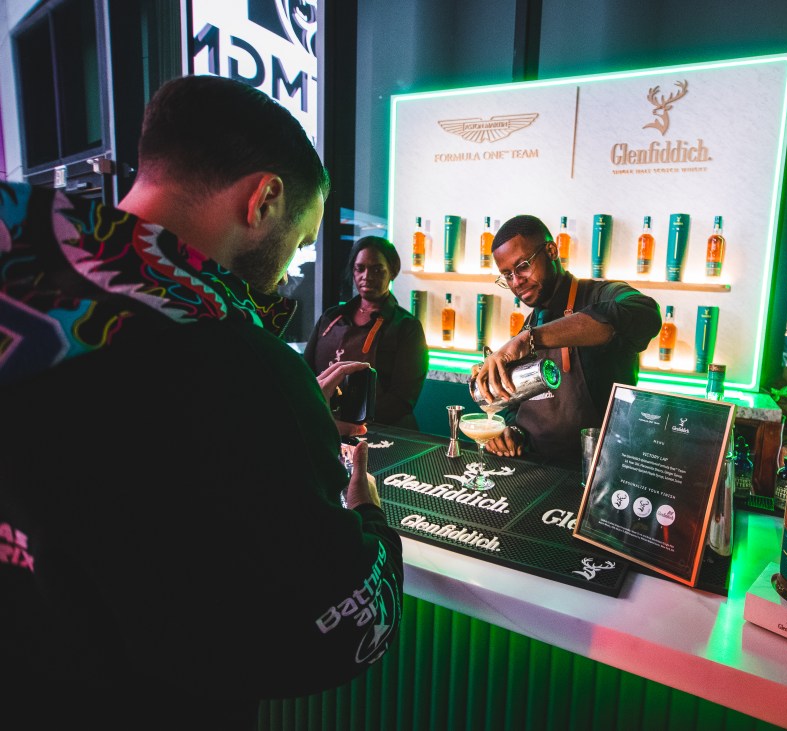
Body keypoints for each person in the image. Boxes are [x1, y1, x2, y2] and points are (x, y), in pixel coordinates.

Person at [0, 75, 403, 730]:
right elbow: (334, 627)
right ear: (264, 197)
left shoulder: (25, 281)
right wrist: (367, 512)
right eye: (300, 243)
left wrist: (281, 409)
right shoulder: (232, 362)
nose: (290, 270)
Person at [471, 214, 661, 462]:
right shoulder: (529, 324)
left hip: (598, 471)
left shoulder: (601, 294)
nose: (517, 282)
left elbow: (645, 314)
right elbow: (515, 406)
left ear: (550, 251)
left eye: (523, 266)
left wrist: (532, 338)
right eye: (507, 275)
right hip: (538, 471)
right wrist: (512, 431)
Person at [304, 236, 428, 430]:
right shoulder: (331, 317)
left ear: (392, 272)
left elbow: (402, 399)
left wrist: (350, 423)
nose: (367, 276)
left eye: (377, 269)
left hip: (384, 431)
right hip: (325, 425)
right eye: (359, 268)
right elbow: (306, 372)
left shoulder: (406, 327)